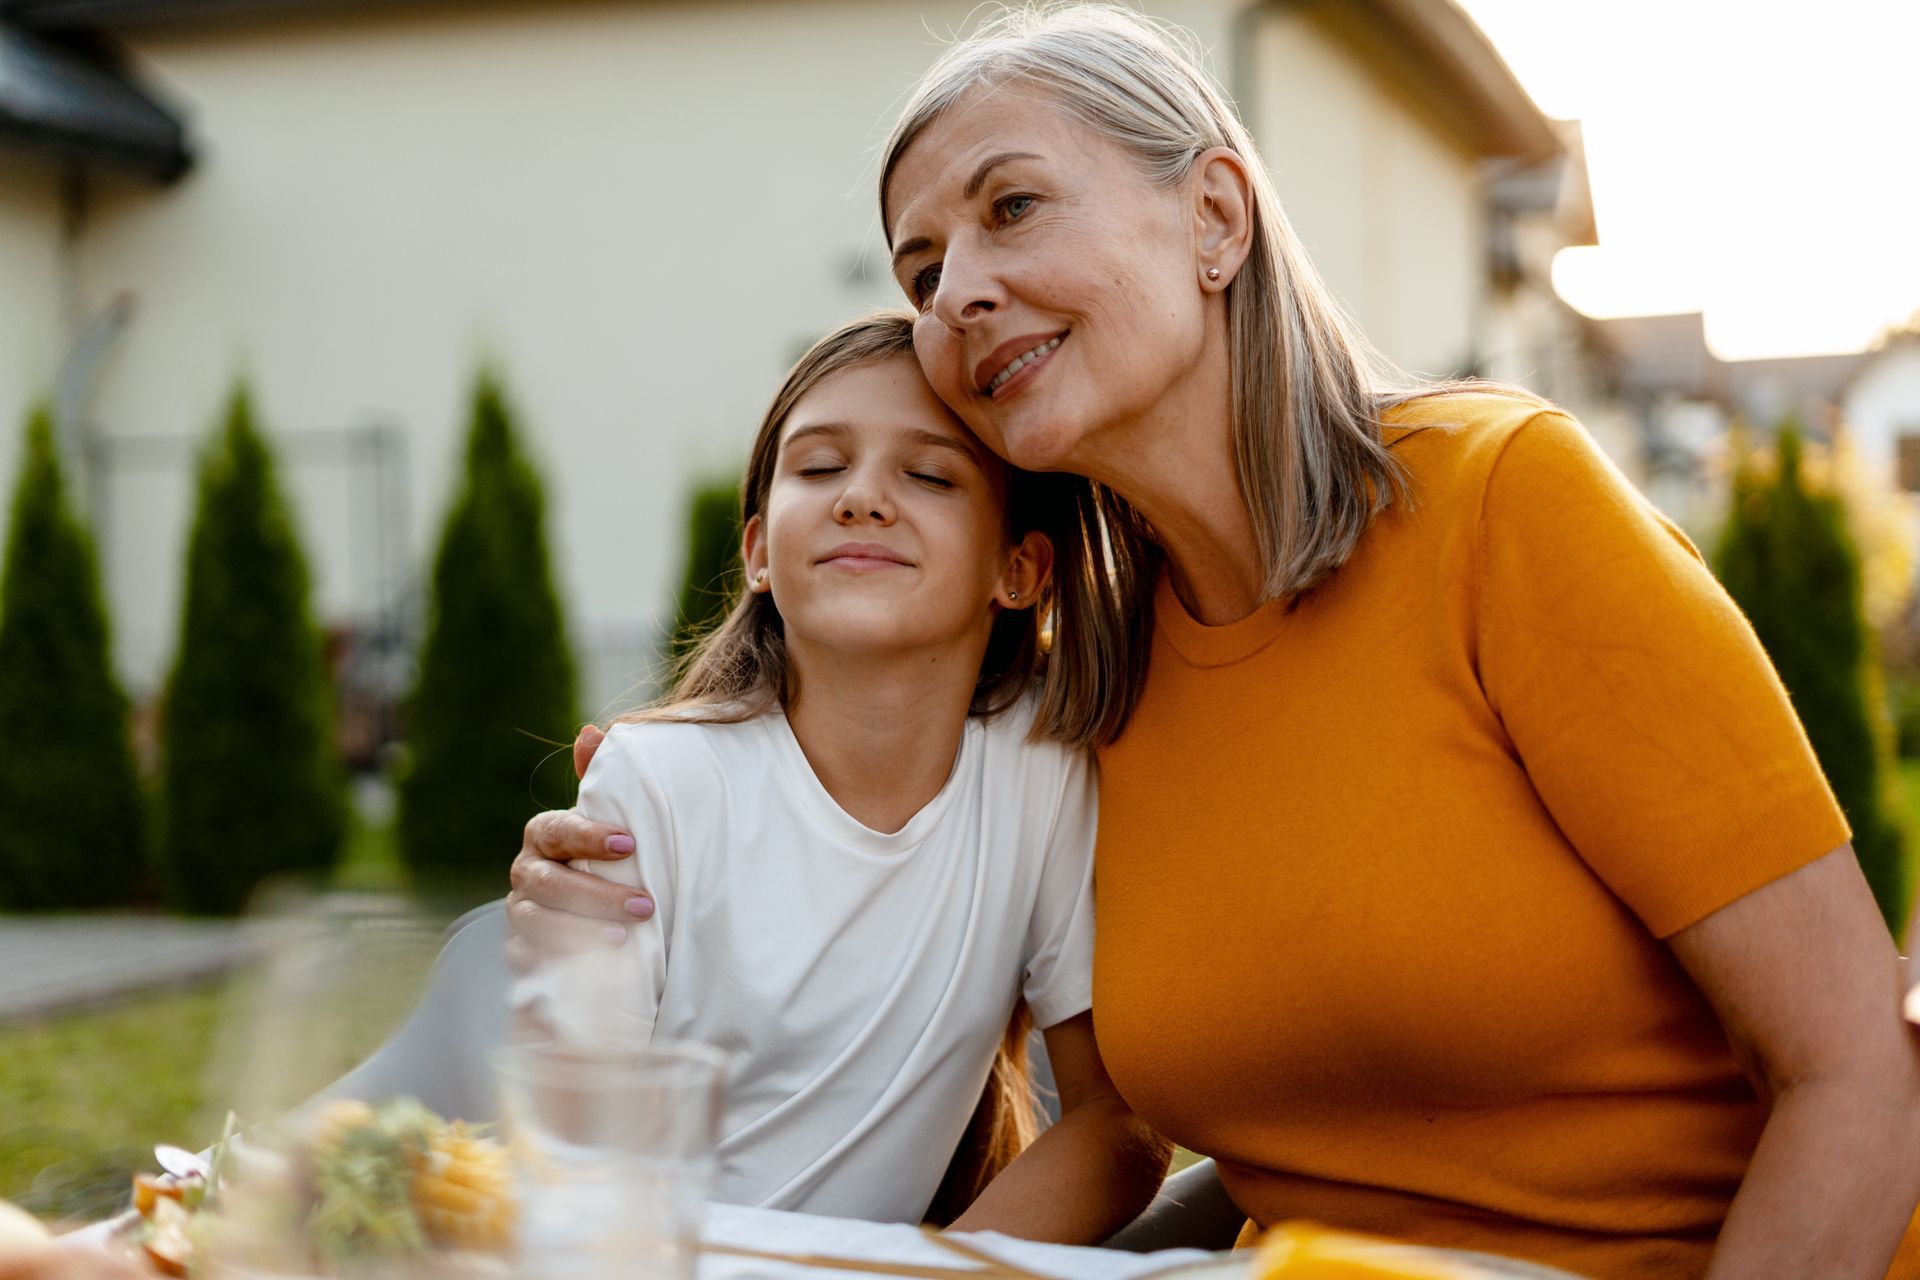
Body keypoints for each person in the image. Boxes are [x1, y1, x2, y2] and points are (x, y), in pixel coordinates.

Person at [508, 7, 1920, 1277]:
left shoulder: (1503, 504)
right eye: (923, 268)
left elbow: (1857, 1071)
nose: (958, 295)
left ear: (1217, 218)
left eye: (1012, 208)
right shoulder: (1102, 688)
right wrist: (661, 821)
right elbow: (1262, 1176)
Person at [510, 311, 1167, 1242]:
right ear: (759, 554)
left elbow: (1116, 1124)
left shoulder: (1042, 773)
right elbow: (569, 1155)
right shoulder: (655, 784)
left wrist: (935, 1275)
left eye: (930, 475)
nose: (861, 497)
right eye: (819, 468)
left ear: (1018, 566)